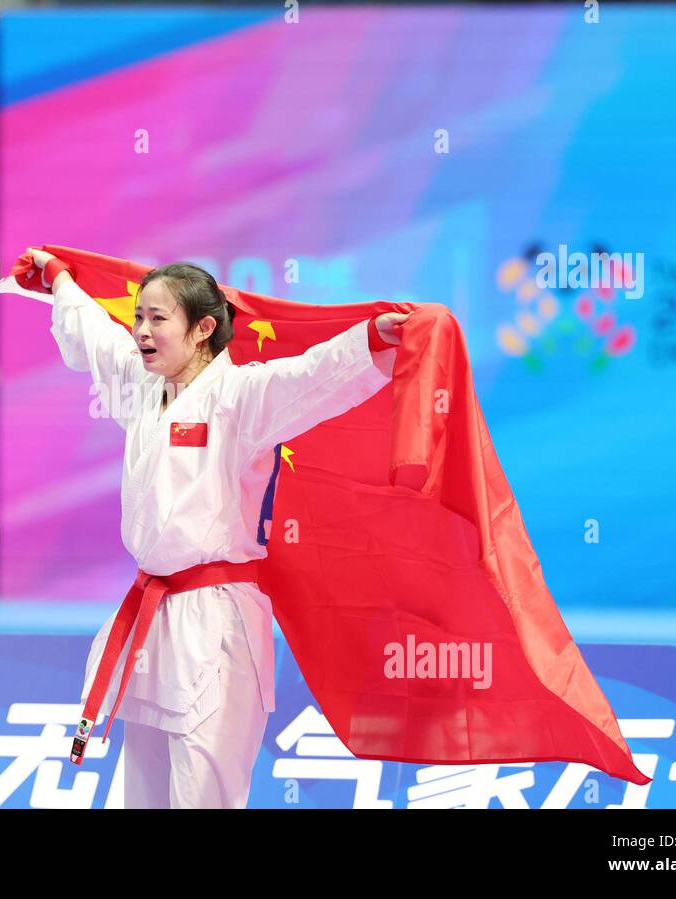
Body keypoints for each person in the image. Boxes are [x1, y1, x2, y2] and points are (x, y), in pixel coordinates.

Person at [29, 247, 409, 808]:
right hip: (152, 625)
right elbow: (93, 335)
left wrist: (373, 338)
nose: (140, 330)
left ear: (203, 328)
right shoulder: (143, 387)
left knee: (205, 797)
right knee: (144, 796)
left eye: (158, 318)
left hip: (217, 623)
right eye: (139, 316)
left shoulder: (242, 396)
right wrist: (59, 280)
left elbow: (312, 375)